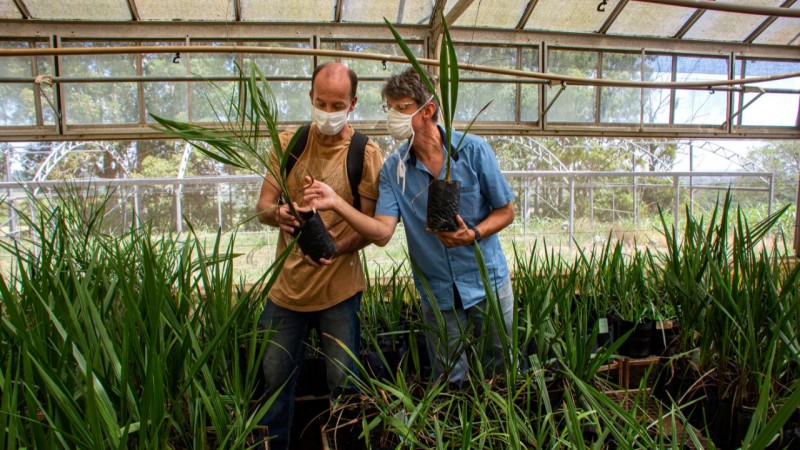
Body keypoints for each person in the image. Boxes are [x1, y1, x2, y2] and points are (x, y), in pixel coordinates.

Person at [304, 67, 515, 385]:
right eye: (389, 108)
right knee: (449, 376)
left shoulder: (472, 151)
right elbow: (381, 232)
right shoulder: (394, 169)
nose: (392, 117)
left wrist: (473, 233)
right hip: (437, 290)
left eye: (400, 108)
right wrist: (336, 202)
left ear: (427, 110)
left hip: (487, 281)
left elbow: (507, 210)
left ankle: (503, 429)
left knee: (500, 368)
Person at [255, 61, 383, 450]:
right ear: (310, 98)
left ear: (353, 103)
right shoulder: (288, 143)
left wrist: (336, 248)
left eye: (337, 104)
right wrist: (282, 213)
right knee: (272, 383)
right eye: (322, 103)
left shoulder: (366, 152)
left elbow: (372, 225)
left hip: (339, 293)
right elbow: (262, 206)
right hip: (286, 292)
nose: (328, 112)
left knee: (343, 385)